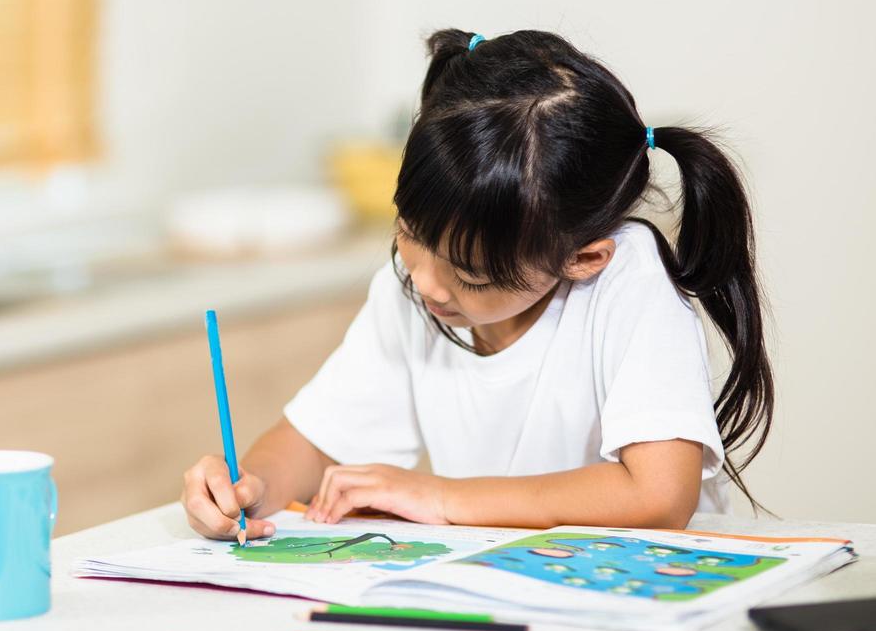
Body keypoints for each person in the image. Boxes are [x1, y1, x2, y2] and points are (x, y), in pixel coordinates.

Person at [182, 29, 772, 537]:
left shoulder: (628, 281)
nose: (428, 284)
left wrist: (440, 497)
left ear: (582, 259)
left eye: (470, 275)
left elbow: (660, 497)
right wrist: (249, 488)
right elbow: (316, 440)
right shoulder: (410, 288)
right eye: (410, 232)